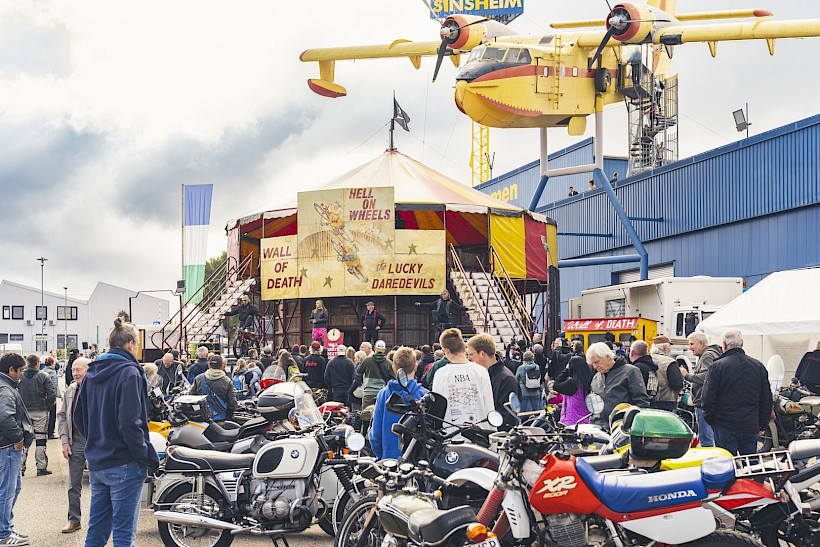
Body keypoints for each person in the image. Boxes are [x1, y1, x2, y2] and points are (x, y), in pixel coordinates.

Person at [73, 318, 159, 547]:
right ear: (130, 344)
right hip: (124, 461)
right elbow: (131, 422)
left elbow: (78, 415)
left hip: (98, 460)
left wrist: (96, 438)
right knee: (123, 533)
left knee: (97, 530)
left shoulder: (92, 372)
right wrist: (142, 455)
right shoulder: (130, 373)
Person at [701, 329, 772, 456]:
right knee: (750, 464)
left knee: (727, 465)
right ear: (742, 344)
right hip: (750, 424)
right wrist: (761, 424)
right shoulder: (758, 366)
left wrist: (712, 420)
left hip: (724, 424)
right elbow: (766, 399)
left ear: (724, 345)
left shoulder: (717, 366)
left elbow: (707, 398)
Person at [370, 347, 427, 459]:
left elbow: (375, 434)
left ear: (394, 369)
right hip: (417, 463)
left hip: (388, 461)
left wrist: (381, 456)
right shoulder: (425, 396)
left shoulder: (383, 395)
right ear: (415, 367)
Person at [0, 353, 33, 546]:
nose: (21, 374)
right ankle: (3, 533)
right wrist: (19, 438)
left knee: (14, 488)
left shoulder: (6, 386)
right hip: (8, 447)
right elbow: (4, 417)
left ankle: (7, 528)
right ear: (11, 370)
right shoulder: (5, 389)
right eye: (20, 370)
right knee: (7, 491)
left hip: (8, 446)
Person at [433, 329, 494, 429]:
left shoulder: (441, 374)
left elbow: (437, 409)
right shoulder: (481, 371)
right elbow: (489, 405)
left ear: (446, 350)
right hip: (480, 435)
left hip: (450, 434)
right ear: (464, 347)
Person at [56, 358, 90, 534]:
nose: (76, 373)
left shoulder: (97, 390)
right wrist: (64, 441)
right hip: (76, 440)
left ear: (89, 370)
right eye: (74, 370)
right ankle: (74, 520)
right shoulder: (70, 390)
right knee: (74, 485)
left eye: (80, 370)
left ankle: (102, 522)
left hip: (96, 441)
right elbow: (61, 416)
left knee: (101, 483)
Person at [588, 342, 650, 428]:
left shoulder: (630, 371)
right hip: (600, 429)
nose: (595, 366)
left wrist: (631, 424)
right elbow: (594, 406)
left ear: (608, 357)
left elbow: (642, 401)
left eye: (597, 362)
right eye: (593, 363)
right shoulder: (596, 378)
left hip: (623, 428)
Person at [681, 331, 722, 447]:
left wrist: (686, 375)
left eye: (692, 344)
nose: (690, 348)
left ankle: (708, 463)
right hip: (711, 402)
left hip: (704, 404)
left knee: (706, 440)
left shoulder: (707, 356)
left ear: (701, 343)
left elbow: (707, 377)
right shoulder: (712, 353)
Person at [18, 355, 55, 476]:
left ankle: (20, 468)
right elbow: (51, 394)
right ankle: (41, 467)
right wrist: (48, 407)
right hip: (40, 411)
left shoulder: (20, 377)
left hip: (24, 412)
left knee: (23, 439)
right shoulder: (44, 376)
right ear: (38, 363)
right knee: (41, 439)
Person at [467, 333, 520, 415]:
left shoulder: (506, 380)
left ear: (482, 354)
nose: (468, 358)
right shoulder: (481, 375)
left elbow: (507, 418)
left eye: (470, 354)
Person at [550, 352, 595, 426]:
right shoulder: (590, 381)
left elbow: (556, 386)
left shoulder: (572, 383)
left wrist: (566, 370)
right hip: (587, 420)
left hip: (572, 422)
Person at [189, 355, 238, 423]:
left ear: (209, 365)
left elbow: (190, 397)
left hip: (203, 420)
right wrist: (228, 417)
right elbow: (232, 403)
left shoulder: (199, 378)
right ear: (222, 367)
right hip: (221, 419)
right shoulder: (227, 381)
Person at [649, 335, 684, 412]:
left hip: (648, 401)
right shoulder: (669, 362)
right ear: (665, 348)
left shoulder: (647, 359)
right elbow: (677, 384)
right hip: (666, 402)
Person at [356, 340, 394, 408]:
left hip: (368, 392)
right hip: (382, 393)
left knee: (366, 415)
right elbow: (394, 378)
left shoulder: (366, 360)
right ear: (384, 350)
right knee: (381, 414)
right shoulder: (389, 363)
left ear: (375, 348)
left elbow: (359, 371)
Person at [41, 356, 60, 439]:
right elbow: (54, 386)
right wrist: (55, 396)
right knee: (52, 415)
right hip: (50, 397)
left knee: (43, 415)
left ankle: (43, 431)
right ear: (52, 363)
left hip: (42, 397)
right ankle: (50, 433)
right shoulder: (52, 373)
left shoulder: (42, 372)